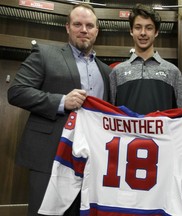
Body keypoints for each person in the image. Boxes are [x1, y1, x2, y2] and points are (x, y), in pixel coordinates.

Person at [7, 3, 111, 216]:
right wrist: (62, 101)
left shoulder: (107, 72)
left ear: (96, 31)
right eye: (77, 24)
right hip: (49, 155)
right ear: (67, 27)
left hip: (91, 160)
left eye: (89, 25)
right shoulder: (44, 54)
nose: (84, 29)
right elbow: (16, 91)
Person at [109, 3, 182, 114]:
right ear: (131, 31)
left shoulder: (172, 71)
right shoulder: (117, 72)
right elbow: (109, 114)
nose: (143, 33)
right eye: (138, 27)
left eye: (149, 28)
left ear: (156, 32)